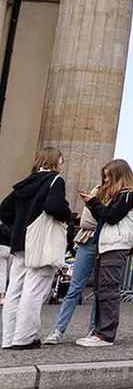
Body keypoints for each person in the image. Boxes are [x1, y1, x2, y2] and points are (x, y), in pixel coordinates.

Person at [1, 147, 71, 350]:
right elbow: (54, 206)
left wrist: (20, 224)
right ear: (55, 161)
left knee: (14, 291)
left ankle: (8, 338)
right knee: (34, 290)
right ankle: (24, 337)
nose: (61, 164)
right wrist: (65, 213)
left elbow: (4, 210)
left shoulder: (25, 182)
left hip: (20, 243)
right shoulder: (55, 181)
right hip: (41, 244)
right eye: (61, 161)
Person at [73, 159, 133, 347]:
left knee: (108, 289)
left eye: (108, 177)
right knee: (101, 289)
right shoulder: (120, 195)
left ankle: (105, 334)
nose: (105, 181)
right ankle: (99, 331)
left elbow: (111, 217)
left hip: (116, 244)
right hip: (106, 244)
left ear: (118, 175)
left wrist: (94, 203)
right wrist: (93, 204)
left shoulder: (127, 194)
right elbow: (104, 216)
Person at [45, 205, 100, 343]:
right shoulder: (94, 195)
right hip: (88, 240)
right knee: (74, 288)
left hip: (104, 242)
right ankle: (58, 329)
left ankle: (93, 329)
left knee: (100, 291)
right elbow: (86, 222)